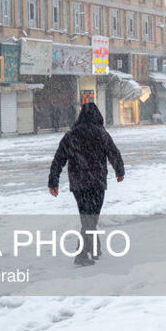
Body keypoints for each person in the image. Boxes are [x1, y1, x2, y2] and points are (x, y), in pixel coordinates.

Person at [48, 103, 125, 266]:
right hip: (96, 182)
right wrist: (119, 171)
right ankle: (81, 255)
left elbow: (58, 159)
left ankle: (95, 249)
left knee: (88, 218)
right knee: (90, 219)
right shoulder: (101, 134)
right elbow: (114, 153)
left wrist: (53, 181)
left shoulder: (71, 136)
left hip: (78, 184)